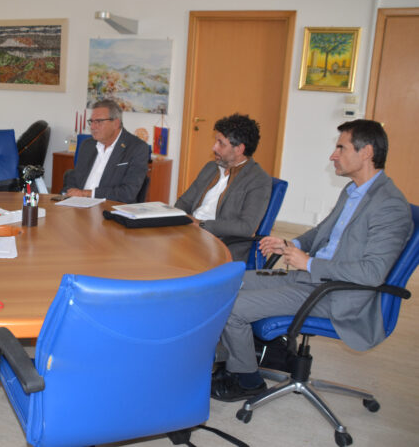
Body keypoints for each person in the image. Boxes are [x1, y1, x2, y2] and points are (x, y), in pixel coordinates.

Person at [211, 119, 413, 402]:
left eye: (341, 148)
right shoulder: (353, 190)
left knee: (233, 307)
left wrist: (307, 263)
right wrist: (291, 244)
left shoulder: (389, 205)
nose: (333, 155)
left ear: (366, 152)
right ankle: (233, 358)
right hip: (313, 278)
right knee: (225, 283)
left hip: (337, 293)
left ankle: (247, 380)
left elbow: (372, 273)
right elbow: (322, 232)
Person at [175, 113, 272, 262]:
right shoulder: (210, 168)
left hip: (221, 244)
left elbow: (246, 227)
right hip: (191, 234)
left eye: (221, 143)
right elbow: (184, 202)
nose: (214, 147)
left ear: (239, 149)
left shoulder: (258, 180)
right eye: (216, 141)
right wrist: (178, 219)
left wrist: (201, 224)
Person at [61, 99, 150, 203]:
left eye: (98, 122)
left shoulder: (137, 148)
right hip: (78, 205)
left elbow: (128, 193)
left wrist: (87, 194)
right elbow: (75, 179)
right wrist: (68, 192)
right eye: (91, 122)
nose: (92, 127)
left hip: (110, 207)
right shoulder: (87, 145)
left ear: (116, 123)